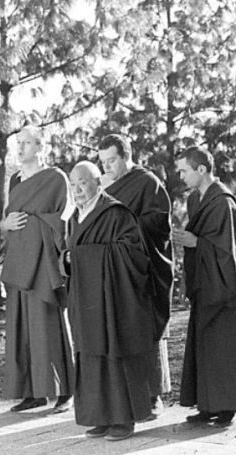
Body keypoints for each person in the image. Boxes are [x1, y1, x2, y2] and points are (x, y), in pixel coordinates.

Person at [62, 161, 156, 440]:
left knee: (115, 353)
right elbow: (69, 254)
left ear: (98, 183)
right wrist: (66, 260)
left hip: (113, 298)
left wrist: (82, 257)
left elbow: (133, 254)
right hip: (85, 297)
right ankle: (100, 416)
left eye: (83, 183)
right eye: (73, 184)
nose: (77, 189)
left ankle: (123, 420)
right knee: (89, 354)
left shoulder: (115, 212)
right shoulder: (74, 217)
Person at [173, 147, 236, 427]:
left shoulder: (222, 202)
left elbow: (230, 252)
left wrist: (195, 243)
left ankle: (228, 407)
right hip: (206, 285)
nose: (180, 176)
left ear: (201, 169)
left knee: (224, 346)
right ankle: (208, 404)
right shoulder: (198, 200)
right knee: (206, 346)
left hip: (224, 289)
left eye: (184, 170)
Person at [97, 134, 173, 417]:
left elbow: (158, 224)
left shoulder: (146, 183)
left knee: (147, 328)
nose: (107, 167)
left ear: (127, 156)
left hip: (143, 269)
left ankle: (153, 395)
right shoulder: (103, 186)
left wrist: (118, 215)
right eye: (103, 162)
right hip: (113, 269)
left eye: (112, 160)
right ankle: (124, 395)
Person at [1, 127, 74, 413]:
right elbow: (7, 220)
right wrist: (5, 225)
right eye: (18, 143)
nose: (20, 148)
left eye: (27, 143)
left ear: (39, 147)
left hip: (43, 260)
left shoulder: (55, 178)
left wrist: (35, 226)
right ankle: (34, 391)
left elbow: (65, 217)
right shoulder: (15, 180)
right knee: (23, 327)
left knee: (48, 324)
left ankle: (64, 391)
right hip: (20, 260)